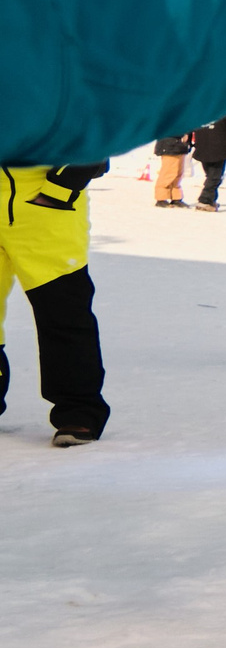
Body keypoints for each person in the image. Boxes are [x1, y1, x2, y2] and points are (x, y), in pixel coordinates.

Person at [0, 163, 112, 446]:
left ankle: (78, 412)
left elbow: (91, 140)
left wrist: (58, 192)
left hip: (43, 207)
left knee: (62, 311)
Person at [190, 110, 226, 211]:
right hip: (219, 147)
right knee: (214, 177)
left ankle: (210, 199)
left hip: (202, 145)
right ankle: (204, 200)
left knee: (211, 175)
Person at [151, 132, 190, 205]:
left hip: (180, 146)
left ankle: (176, 197)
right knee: (168, 173)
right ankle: (161, 198)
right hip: (169, 145)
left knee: (178, 174)